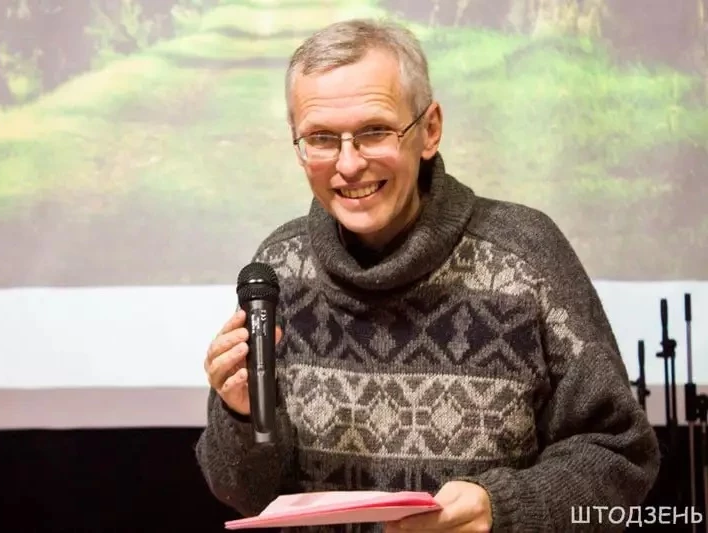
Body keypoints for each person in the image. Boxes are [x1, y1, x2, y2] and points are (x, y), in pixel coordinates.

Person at [195, 18, 660, 532]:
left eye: (374, 131)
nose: (348, 165)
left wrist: (502, 509)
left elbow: (620, 457)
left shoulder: (525, 257)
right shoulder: (278, 268)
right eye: (321, 138)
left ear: (430, 129)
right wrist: (242, 417)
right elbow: (248, 494)